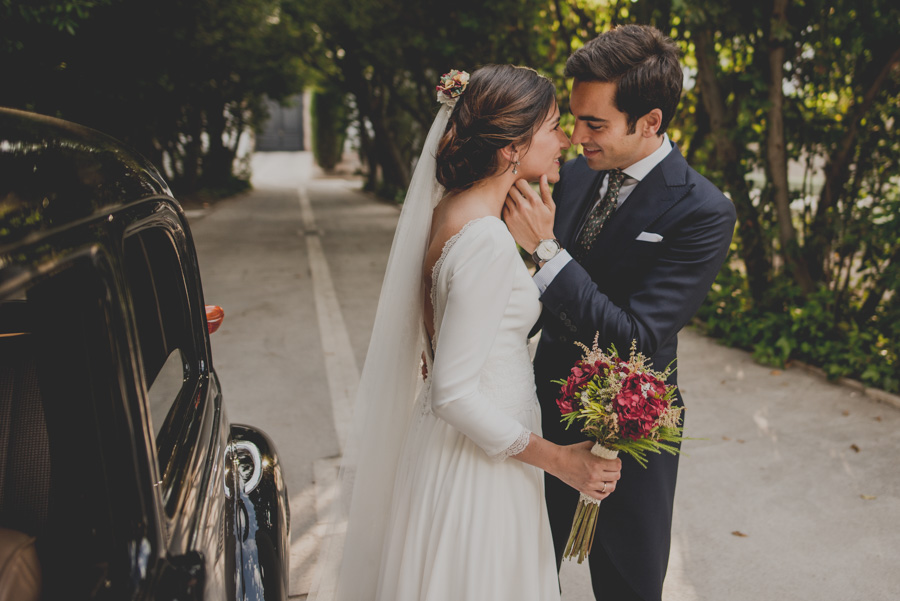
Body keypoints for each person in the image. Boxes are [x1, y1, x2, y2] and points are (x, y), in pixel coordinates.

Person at [327, 64, 622, 601]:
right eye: (554, 126)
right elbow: (453, 392)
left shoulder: (450, 211)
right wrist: (562, 462)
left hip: (463, 450)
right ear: (512, 146)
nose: (565, 140)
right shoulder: (485, 239)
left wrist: (538, 249)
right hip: (481, 467)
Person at [503, 25, 738, 601]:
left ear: (651, 121)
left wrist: (546, 250)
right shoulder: (578, 170)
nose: (576, 137)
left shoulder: (704, 210)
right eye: (575, 119)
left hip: (636, 427)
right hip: (540, 409)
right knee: (524, 573)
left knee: (629, 585)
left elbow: (638, 336)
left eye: (594, 124)